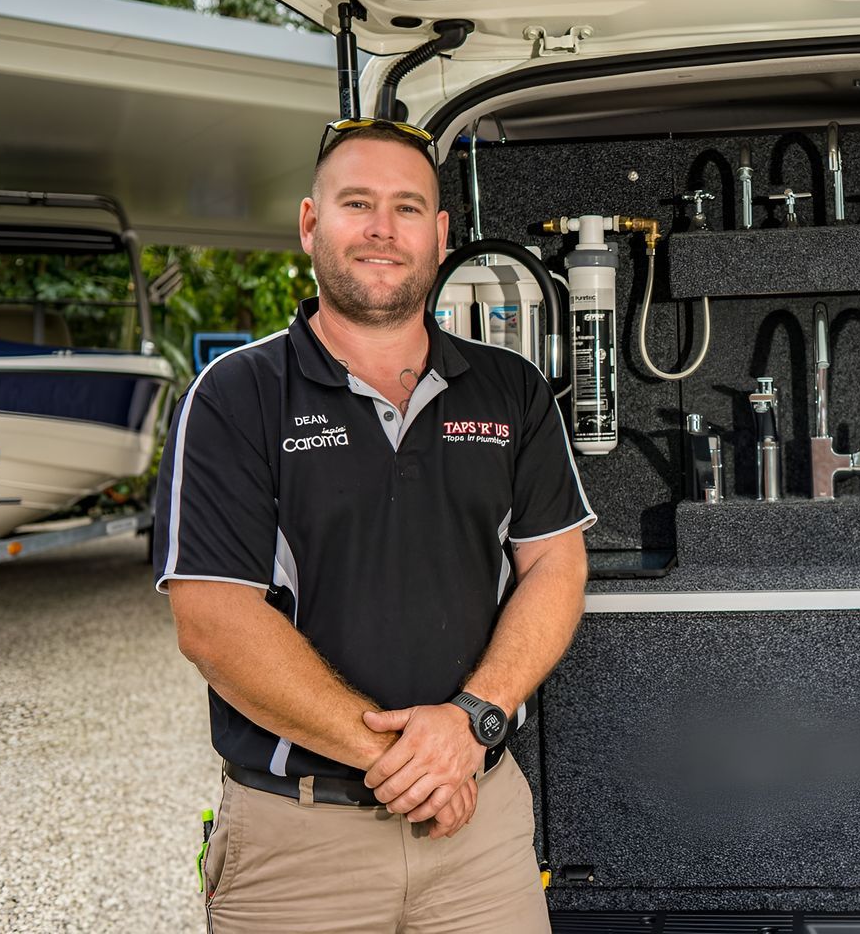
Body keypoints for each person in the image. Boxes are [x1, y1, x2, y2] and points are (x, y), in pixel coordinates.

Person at [153, 117, 593, 933]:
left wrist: (474, 720)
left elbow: (556, 567)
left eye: (406, 207)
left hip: (480, 836)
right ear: (310, 223)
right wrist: (414, 764)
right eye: (357, 203)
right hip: (299, 847)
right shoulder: (235, 396)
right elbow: (213, 621)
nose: (383, 229)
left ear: (441, 234)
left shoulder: (513, 390)